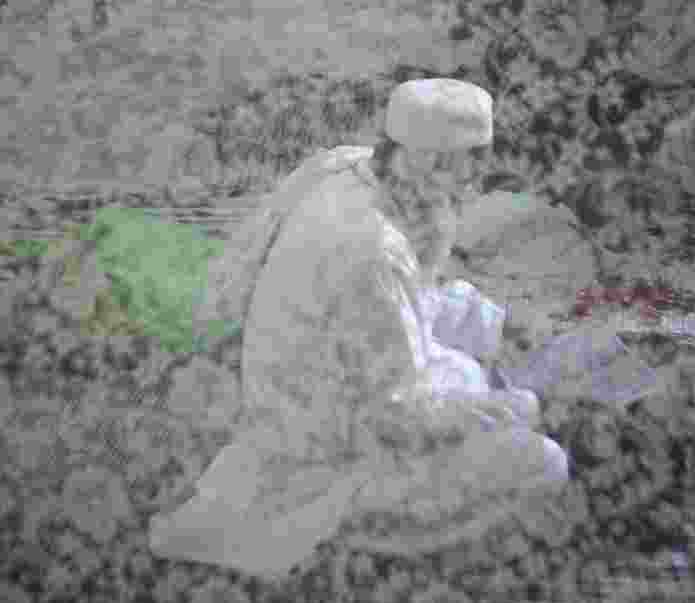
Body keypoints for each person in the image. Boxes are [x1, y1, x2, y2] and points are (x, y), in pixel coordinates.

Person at [148, 79, 572, 577]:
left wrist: (501, 327)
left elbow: (410, 300)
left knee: (476, 375)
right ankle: (360, 546)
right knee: (541, 460)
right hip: (323, 453)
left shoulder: (349, 169)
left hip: (336, 384)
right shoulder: (370, 250)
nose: (475, 181)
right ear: (431, 163)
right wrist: (515, 407)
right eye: (467, 164)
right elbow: (398, 415)